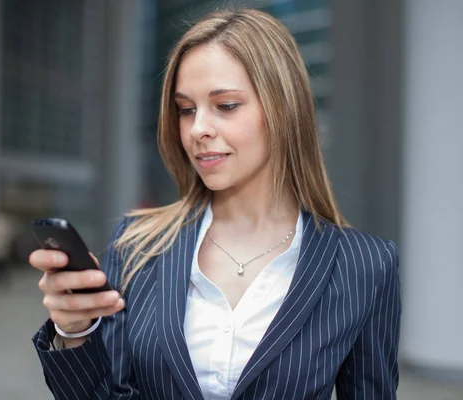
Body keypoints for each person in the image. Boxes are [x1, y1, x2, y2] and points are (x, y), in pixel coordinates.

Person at [29, 8, 401, 400]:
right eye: (186, 109)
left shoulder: (366, 267)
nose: (198, 129)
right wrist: (74, 333)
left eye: (225, 105)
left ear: (284, 109)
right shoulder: (138, 245)